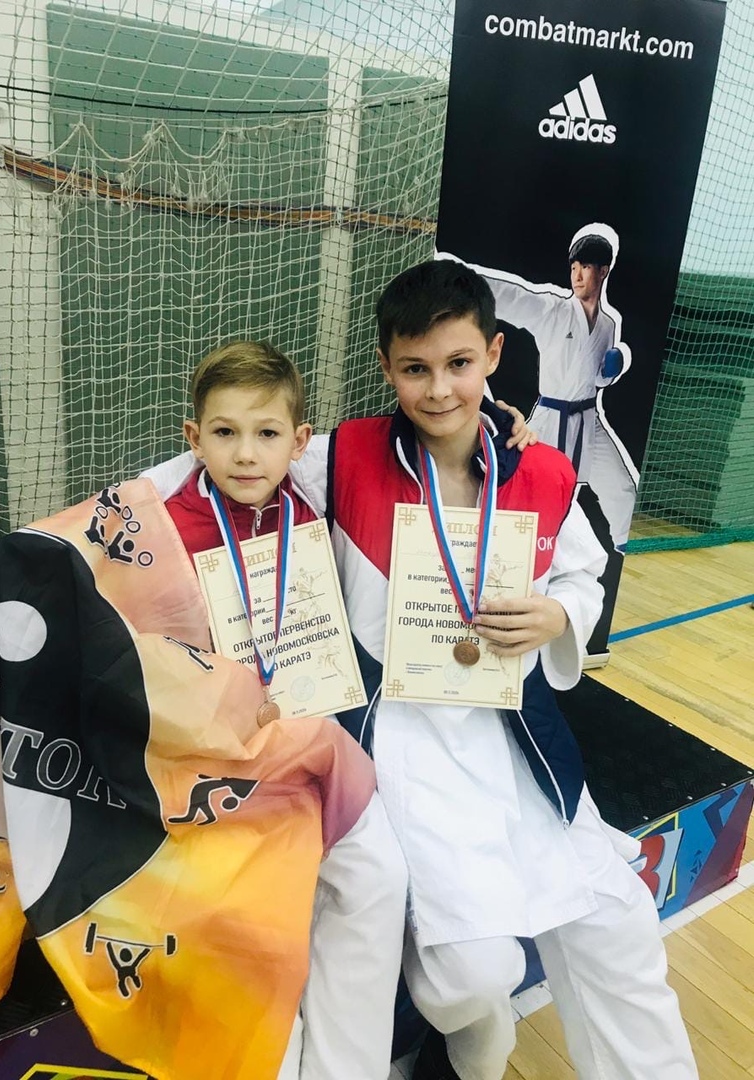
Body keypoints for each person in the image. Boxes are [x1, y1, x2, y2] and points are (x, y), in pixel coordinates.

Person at [290, 261, 697, 1080]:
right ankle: (470, 1048)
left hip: (516, 737)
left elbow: (584, 574)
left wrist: (560, 615)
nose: (439, 389)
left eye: (459, 363)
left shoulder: (542, 472)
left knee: (617, 926)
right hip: (401, 740)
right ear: (385, 366)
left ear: (495, 354)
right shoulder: (341, 457)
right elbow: (237, 461)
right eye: (416, 368)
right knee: (470, 979)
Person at [147, 339, 408, 1080]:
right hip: (213, 765)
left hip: (316, 745)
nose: (245, 453)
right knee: (255, 917)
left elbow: (417, 447)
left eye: (266, 433)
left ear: (300, 442)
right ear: (194, 437)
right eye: (224, 432)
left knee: (378, 877)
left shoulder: (314, 506)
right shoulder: (159, 531)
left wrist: (503, 425)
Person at [438, 225, 638, 549]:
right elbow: (511, 296)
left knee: (622, 488)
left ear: (603, 271)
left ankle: (624, 549)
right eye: (574, 267)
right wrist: (453, 274)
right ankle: (489, 544)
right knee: (524, 487)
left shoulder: (608, 324)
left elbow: (596, 377)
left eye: (586, 267)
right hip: (551, 417)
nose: (577, 275)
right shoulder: (554, 310)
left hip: (589, 419)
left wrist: (611, 371)